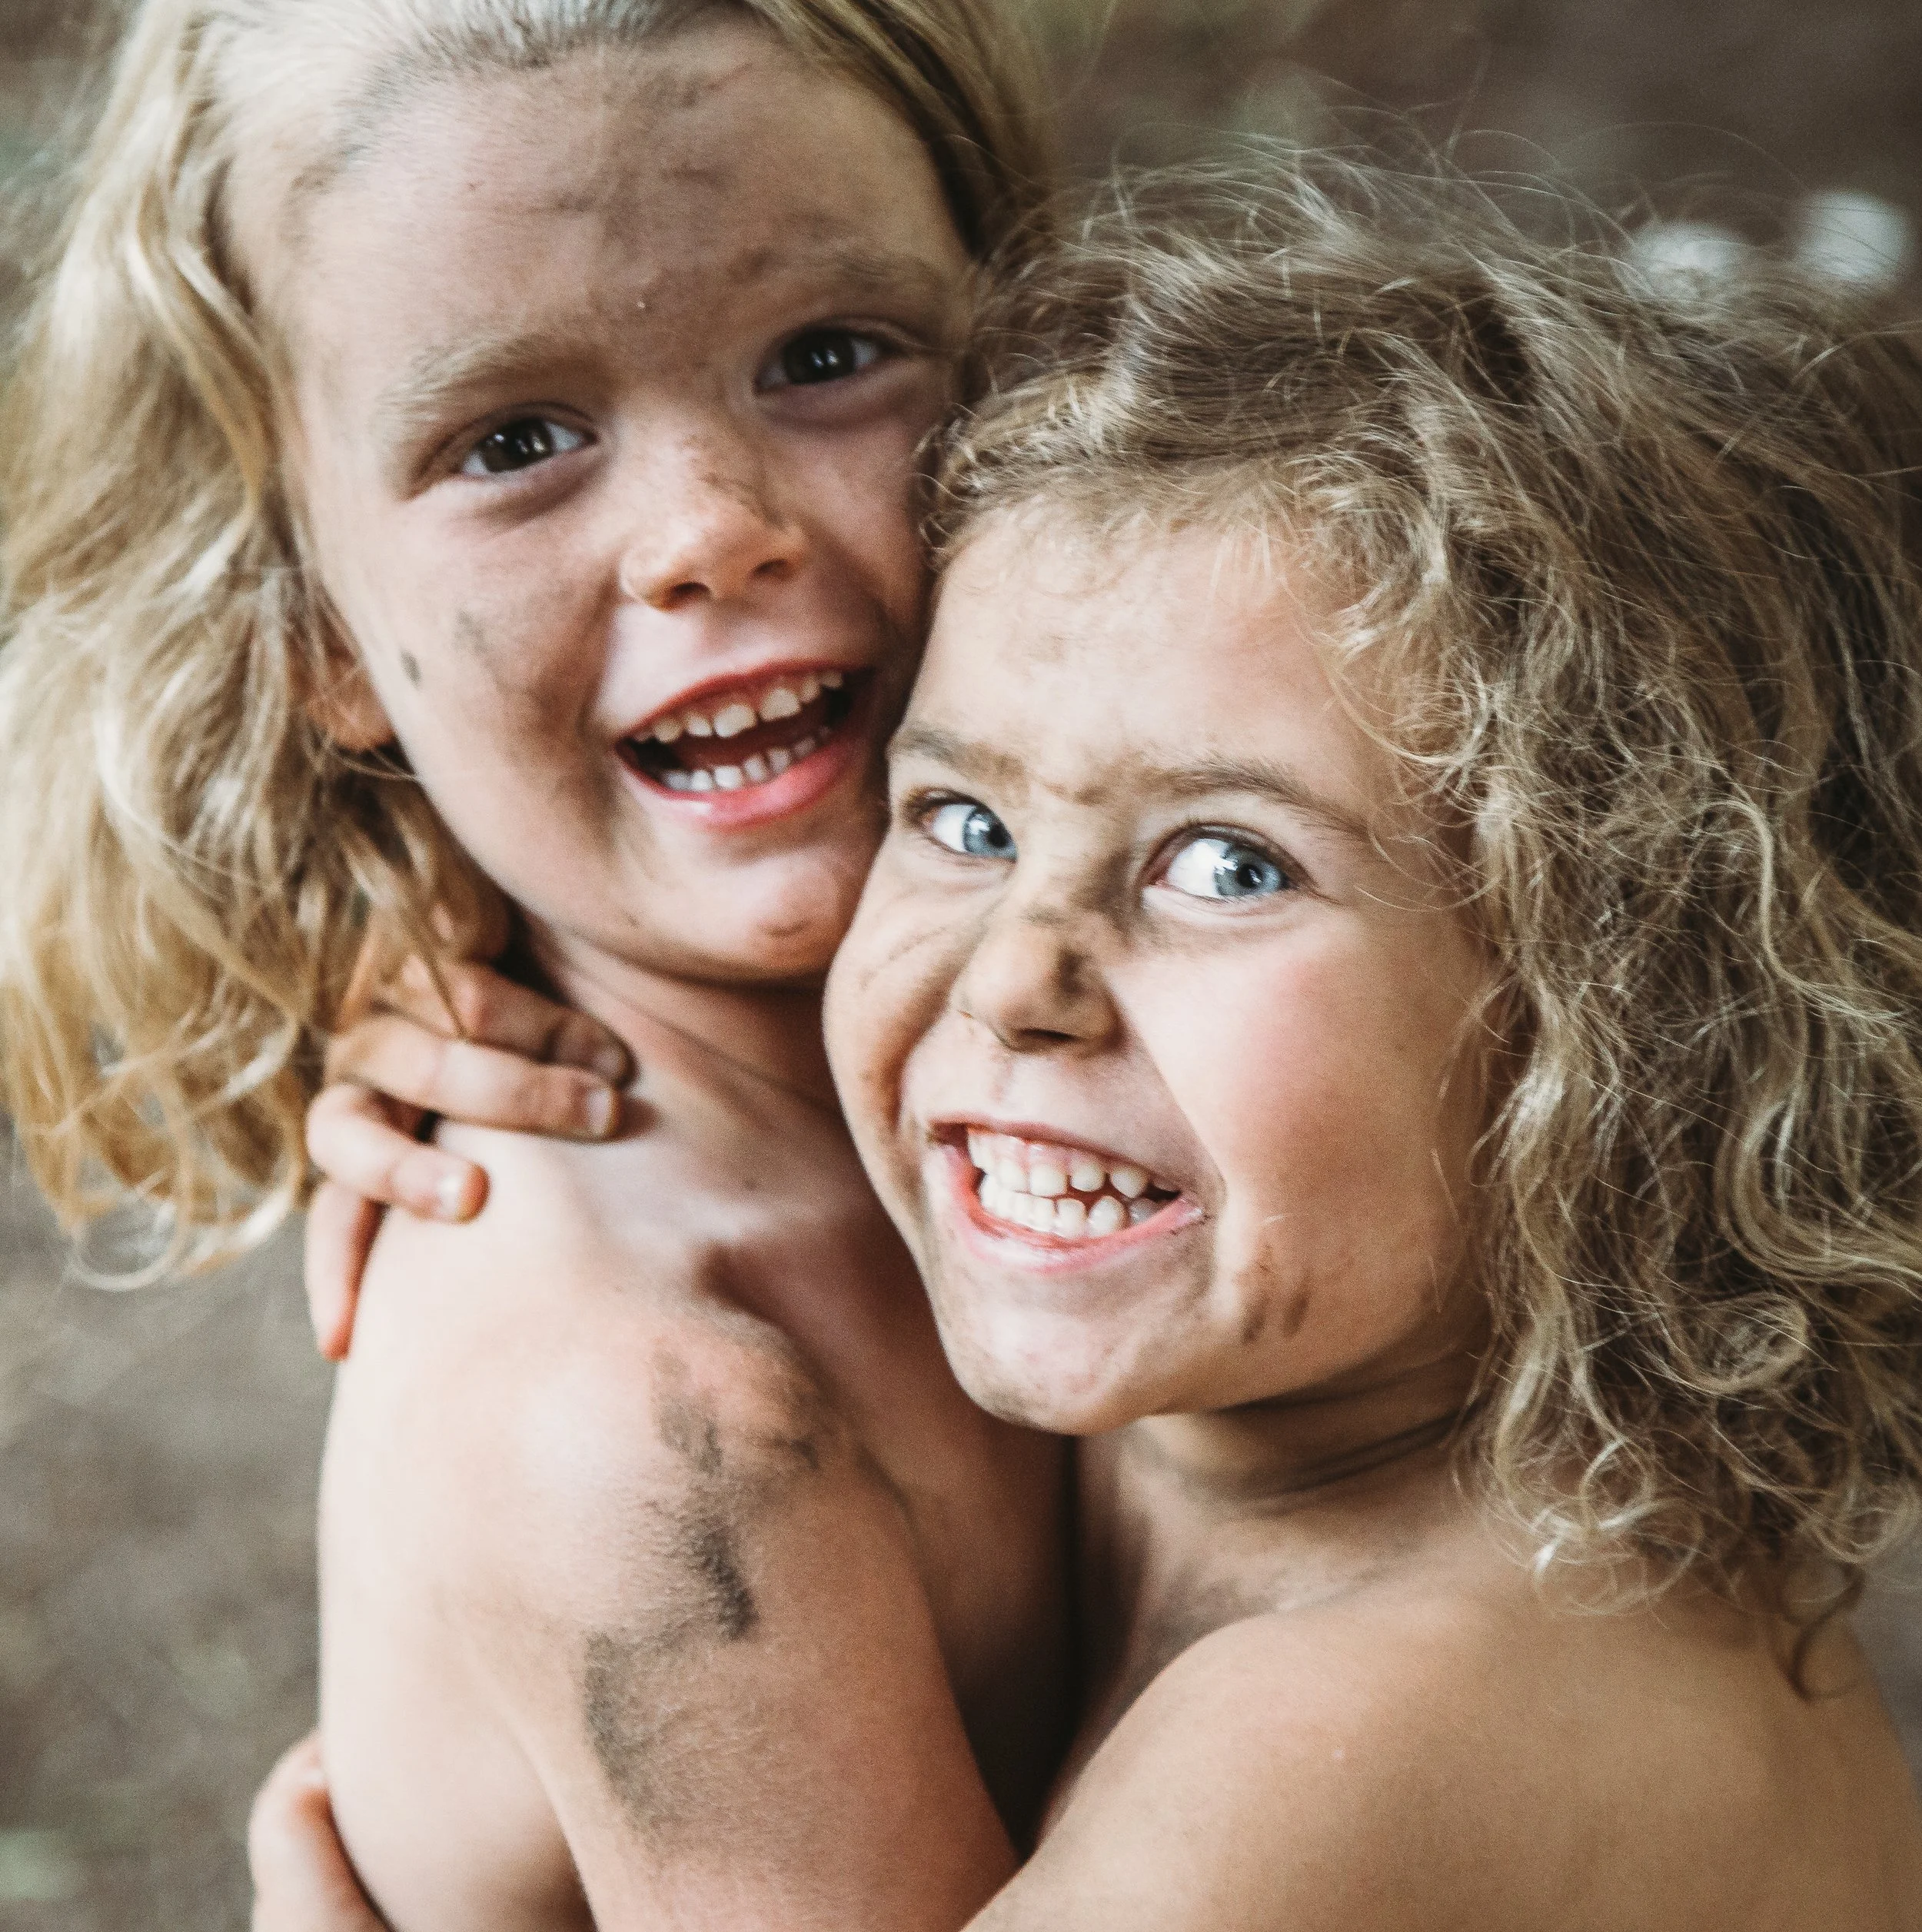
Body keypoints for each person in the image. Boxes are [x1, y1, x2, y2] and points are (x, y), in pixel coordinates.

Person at [259, 161, 1922, 1927]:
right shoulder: (1320, 1440)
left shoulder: (1317, 1763)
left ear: (1635, 1009)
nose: (1012, 980)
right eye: (960, 820)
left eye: (1225, 864)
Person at [0, 1, 1076, 1925]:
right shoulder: (645, 1438)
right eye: (512, 441)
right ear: (315, 630)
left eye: (827, 354)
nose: (709, 530)